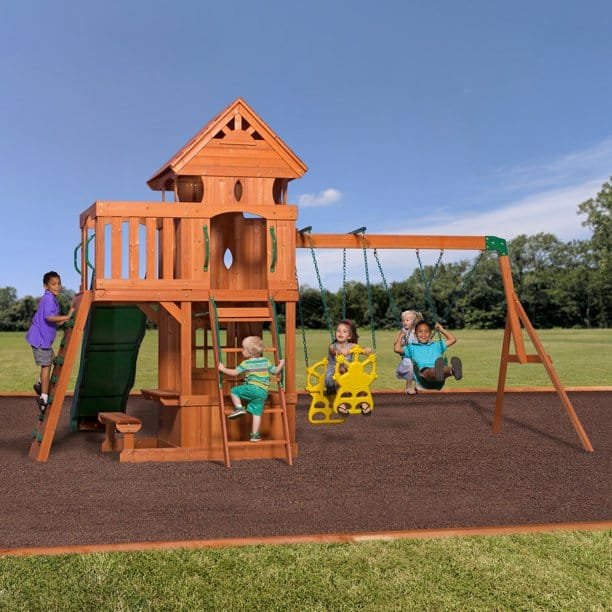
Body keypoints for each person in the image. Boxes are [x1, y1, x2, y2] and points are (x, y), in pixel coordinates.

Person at [218, 335, 285, 442]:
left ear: (249, 352)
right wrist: (282, 364)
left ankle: (239, 408)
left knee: (234, 391)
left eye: (243, 348)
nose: (241, 350)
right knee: (256, 413)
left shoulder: (246, 363)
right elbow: (275, 371)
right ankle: (255, 435)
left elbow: (234, 373)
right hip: (263, 393)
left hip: (252, 388)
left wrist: (222, 369)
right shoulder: (265, 361)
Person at [25, 271, 75, 412]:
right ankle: (44, 398)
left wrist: (64, 319)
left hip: (43, 340)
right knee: (46, 366)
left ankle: (40, 383)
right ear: (46, 286)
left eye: (59, 283)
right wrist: (67, 316)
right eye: (53, 284)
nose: (57, 286)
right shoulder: (48, 299)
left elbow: (54, 321)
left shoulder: (52, 299)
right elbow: (49, 317)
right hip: (40, 339)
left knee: (53, 360)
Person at [324, 319, 372, 415]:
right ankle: (340, 403)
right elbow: (334, 351)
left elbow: (362, 349)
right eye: (338, 331)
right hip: (334, 371)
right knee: (337, 376)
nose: (340, 333)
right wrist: (340, 352)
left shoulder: (352, 346)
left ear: (349, 336)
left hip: (347, 371)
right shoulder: (333, 346)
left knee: (359, 381)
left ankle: (363, 402)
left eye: (344, 331)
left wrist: (367, 350)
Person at [402, 320, 463, 385]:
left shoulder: (436, 345)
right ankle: (442, 372)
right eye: (420, 332)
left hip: (437, 373)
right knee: (430, 371)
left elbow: (453, 339)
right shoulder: (412, 347)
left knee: (443, 369)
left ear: (430, 334)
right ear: (415, 335)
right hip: (423, 374)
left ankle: (453, 371)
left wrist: (441, 329)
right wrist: (402, 334)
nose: (423, 334)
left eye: (426, 332)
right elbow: (397, 349)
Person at [393, 309, 423, 394]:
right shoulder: (402, 331)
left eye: (407, 320)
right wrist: (401, 338)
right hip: (407, 357)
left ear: (413, 322)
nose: (404, 322)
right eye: (403, 321)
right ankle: (408, 388)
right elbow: (395, 343)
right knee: (410, 369)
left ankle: (418, 385)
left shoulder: (416, 331)